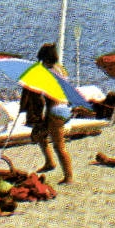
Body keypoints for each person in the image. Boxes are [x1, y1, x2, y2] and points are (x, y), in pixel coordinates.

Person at [21, 43, 74, 184]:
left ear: (45, 59)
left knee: (59, 145)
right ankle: (50, 162)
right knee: (38, 134)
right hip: (64, 108)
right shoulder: (60, 69)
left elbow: (40, 98)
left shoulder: (48, 72)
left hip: (55, 110)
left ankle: (68, 177)